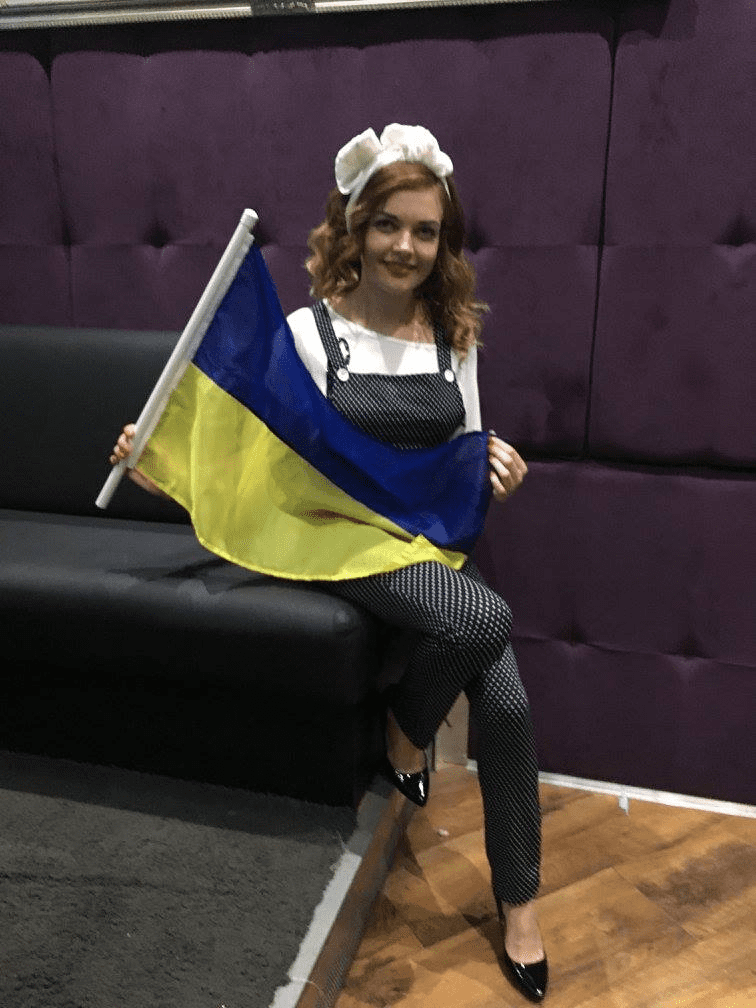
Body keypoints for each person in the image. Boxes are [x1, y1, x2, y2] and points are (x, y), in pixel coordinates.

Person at [111, 124, 547, 1003]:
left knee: (506, 699)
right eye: (388, 224)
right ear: (355, 225)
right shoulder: (309, 336)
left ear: (443, 241)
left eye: (425, 231)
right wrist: (166, 461)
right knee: (484, 615)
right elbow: (259, 459)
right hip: (336, 538)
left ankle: (521, 901)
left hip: (424, 541)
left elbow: (460, 457)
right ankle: (406, 735)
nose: (406, 247)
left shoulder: (454, 336)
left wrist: (497, 470)